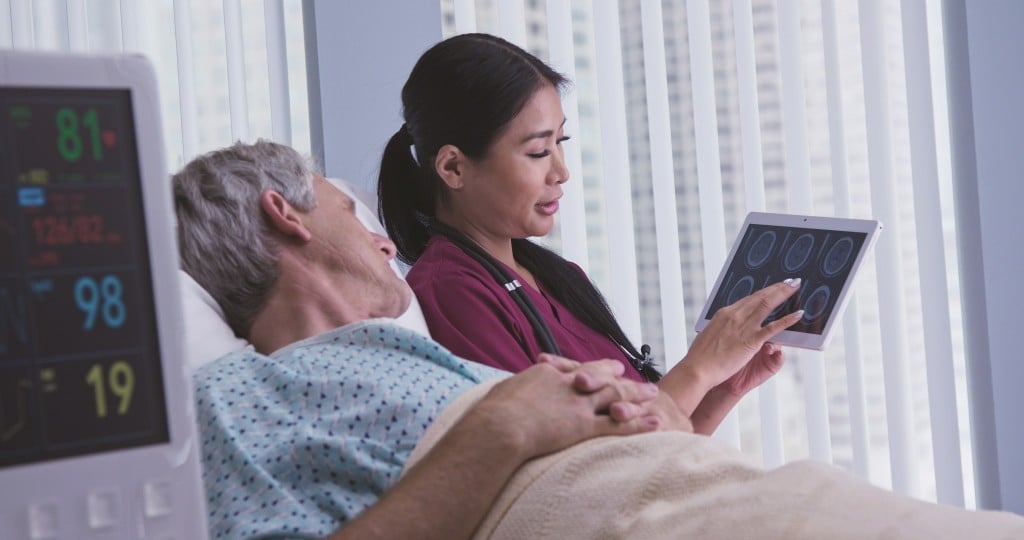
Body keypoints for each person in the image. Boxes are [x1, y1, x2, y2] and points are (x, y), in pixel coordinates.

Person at [177, 141, 1024, 540]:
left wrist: (687, 406)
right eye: (346, 209)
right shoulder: (238, 397)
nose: (383, 236)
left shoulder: (429, 348)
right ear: (283, 215)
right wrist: (505, 425)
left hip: (708, 491)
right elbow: (513, 450)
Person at [377, 32, 795, 434]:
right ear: (453, 167)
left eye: (562, 142)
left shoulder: (558, 277)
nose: (561, 172)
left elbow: (651, 453)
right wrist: (698, 369)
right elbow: (566, 472)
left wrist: (720, 388)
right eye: (539, 152)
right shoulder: (451, 296)